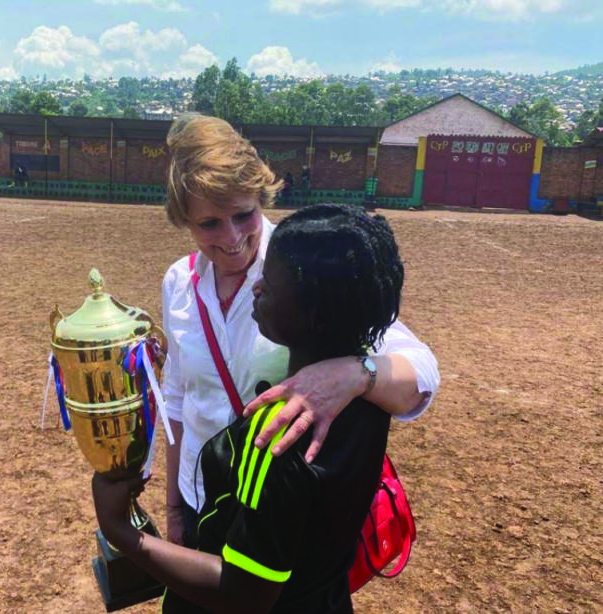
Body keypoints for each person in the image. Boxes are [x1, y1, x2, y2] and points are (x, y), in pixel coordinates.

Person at [92, 203, 405, 613]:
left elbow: (243, 595)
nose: (256, 289)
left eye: (269, 285)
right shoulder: (368, 393)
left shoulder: (276, 436)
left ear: (314, 315)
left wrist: (124, 534)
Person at [160, 114, 439, 548]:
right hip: (202, 499)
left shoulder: (305, 267)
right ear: (184, 220)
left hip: (279, 512)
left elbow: (421, 373)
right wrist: (176, 508)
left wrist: (355, 373)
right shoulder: (178, 282)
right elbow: (178, 397)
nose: (231, 237)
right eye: (209, 223)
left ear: (262, 198)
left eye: (244, 214)